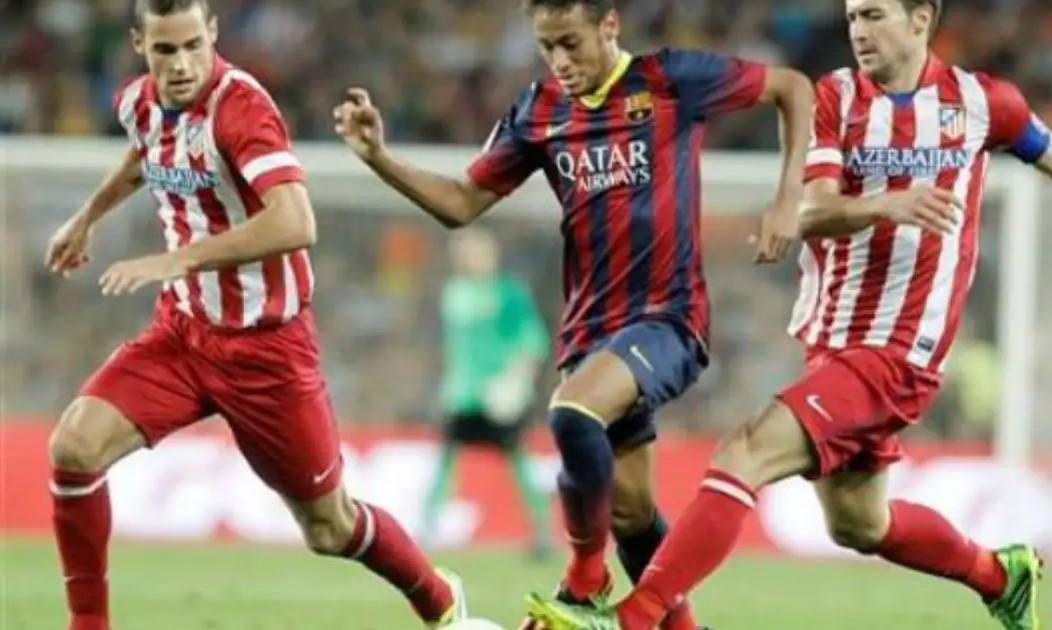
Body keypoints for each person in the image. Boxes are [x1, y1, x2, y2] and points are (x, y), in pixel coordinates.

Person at [523, 0, 1052, 629]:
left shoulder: (981, 102)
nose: (859, 31)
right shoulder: (836, 97)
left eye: (874, 14)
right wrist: (886, 205)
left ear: (922, 17)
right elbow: (811, 210)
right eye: (851, 18)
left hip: (899, 350)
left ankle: (633, 618)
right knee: (857, 523)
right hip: (833, 341)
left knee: (744, 453)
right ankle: (999, 575)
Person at [331, 0, 815, 628]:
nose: (560, 60)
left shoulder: (667, 80)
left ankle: (584, 577)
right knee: (632, 515)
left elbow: (793, 87)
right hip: (589, 331)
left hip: (668, 317)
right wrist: (378, 157)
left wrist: (788, 199)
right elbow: (461, 202)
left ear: (608, 25)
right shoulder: (540, 110)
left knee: (572, 410)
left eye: (570, 42)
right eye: (546, 46)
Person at [43, 2, 468, 629]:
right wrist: (87, 218)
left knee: (329, 528)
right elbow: (144, 155)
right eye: (165, 50)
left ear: (213, 32)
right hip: (182, 334)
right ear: (138, 44)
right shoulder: (137, 102)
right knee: (75, 447)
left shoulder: (242, 108)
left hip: (268, 350)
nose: (182, 64)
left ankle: (439, 600)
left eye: (193, 45)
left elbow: (296, 221)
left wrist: (178, 259)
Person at [419, 227, 554, 560]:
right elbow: (455, 348)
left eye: (474, 252)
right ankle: (426, 534)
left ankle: (542, 533)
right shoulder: (454, 293)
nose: (468, 259)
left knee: (518, 460)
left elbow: (532, 342)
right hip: (461, 394)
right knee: (446, 460)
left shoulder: (508, 294)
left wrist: (515, 383)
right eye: (462, 253)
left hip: (500, 394)